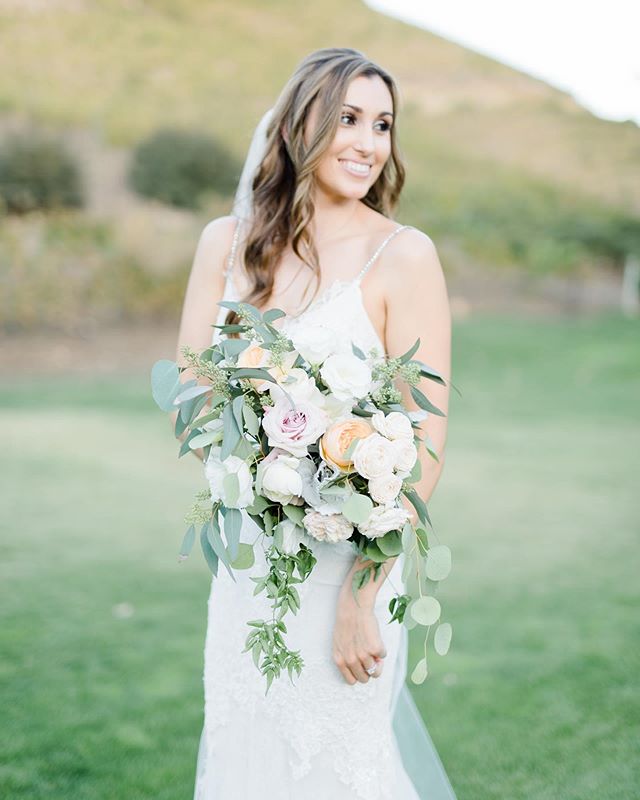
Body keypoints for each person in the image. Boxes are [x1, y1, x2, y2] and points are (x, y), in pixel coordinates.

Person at [173, 47, 456, 799]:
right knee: (247, 762)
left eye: (384, 125)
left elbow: (423, 440)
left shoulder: (405, 257)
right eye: (349, 119)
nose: (368, 143)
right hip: (250, 574)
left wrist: (364, 597)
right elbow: (195, 398)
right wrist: (268, 445)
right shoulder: (225, 247)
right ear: (302, 125)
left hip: (347, 573)